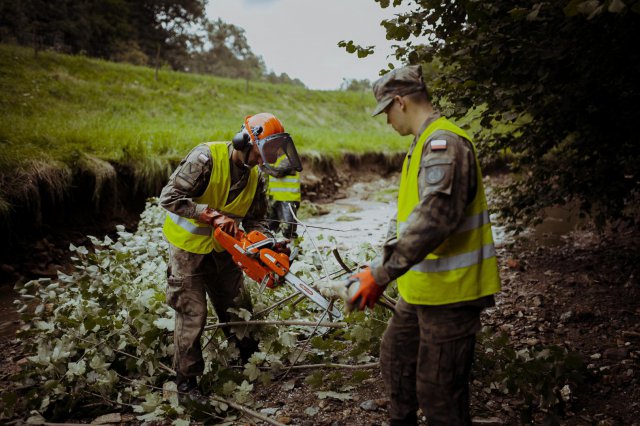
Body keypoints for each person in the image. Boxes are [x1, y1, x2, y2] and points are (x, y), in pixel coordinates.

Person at [347, 65, 501, 425]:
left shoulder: (443, 145)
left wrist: (380, 274)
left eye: (386, 111)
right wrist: (374, 267)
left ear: (400, 102)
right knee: (395, 360)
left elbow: (434, 220)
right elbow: (409, 219)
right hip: (420, 293)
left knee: (439, 392)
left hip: (451, 295)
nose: (386, 120)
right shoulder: (421, 145)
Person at [160, 112, 302, 401]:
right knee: (192, 313)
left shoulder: (255, 179)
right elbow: (169, 197)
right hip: (188, 250)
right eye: (260, 154)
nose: (262, 161)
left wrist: (266, 244)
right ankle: (186, 383)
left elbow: (255, 221)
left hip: (226, 250)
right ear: (244, 140)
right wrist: (209, 215)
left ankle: (247, 360)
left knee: (237, 304)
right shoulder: (205, 158)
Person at [263, 153, 301, 239]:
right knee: (271, 228)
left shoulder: (290, 158)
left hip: (288, 200)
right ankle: (274, 248)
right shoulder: (273, 159)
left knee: (289, 230)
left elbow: (278, 173)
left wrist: (261, 166)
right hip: (274, 199)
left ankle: (296, 250)